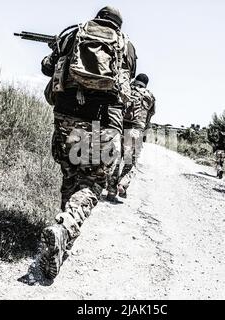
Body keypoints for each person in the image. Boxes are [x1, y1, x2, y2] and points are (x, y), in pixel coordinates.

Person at [38, 6, 137, 279]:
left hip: (67, 116)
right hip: (103, 122)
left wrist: (57, 49)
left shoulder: (73, 33)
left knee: (70, 172)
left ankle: (61, 233)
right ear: (118, 23)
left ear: (98, 17)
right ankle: (65, 228)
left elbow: (47, 67)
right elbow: (125, 87)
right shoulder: (126, 45)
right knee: (92, 183)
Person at [107, 73, 156, 201]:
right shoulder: (150, 96)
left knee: (116, 160)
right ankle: (122, 184)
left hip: (121, 127)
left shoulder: (127, 89)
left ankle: (111, 191)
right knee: (130, 162)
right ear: (146, 84)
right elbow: (149, 117)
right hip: (136, 131)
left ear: (136, 80)